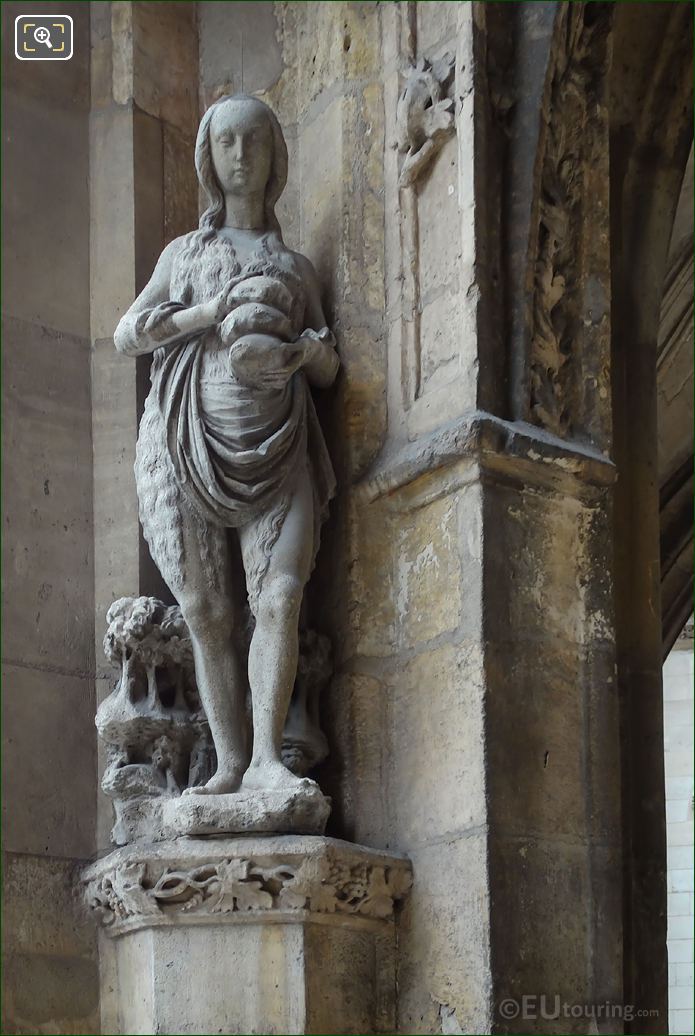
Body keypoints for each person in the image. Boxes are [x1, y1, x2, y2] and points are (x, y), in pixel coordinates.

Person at [114, 94, 339, 796]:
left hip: (278, 443)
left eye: (254, 142)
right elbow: (127, 335)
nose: (240, 156)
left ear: (274, 158)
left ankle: (270, 757)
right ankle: (230, 763)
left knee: (278, 597)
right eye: (226, 143)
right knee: (208, 614)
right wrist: (209, 313)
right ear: (207, 159)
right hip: (187, 442)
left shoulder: (296, 268)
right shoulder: (184, 255)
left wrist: (303, 353)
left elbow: (332, 365)